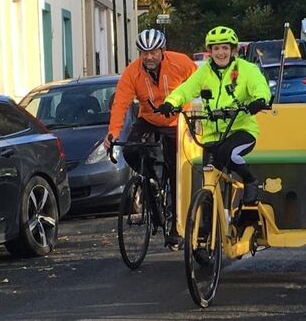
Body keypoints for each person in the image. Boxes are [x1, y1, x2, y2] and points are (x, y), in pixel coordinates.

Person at [157, 26, 271, 204]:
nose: (221, 53)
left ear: (233, 50)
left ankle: (250, 181)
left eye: (225, 48)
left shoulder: (247, 69)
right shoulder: (204, 72)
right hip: (212, 135)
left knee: (228, 153)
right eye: (216, 48)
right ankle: (207, 222)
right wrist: (170, 102)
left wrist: (260, 100)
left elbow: (260, 87)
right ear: (209, 51)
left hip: (240, 130)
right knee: (208, 180)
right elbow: (186, 90)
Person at [104, 29, 197, 247]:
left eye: (153, 51)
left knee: (177, 173)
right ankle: (152, 181)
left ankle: (176, 227)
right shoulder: (132, 73)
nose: (149, 57)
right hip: (148, 118)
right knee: (129, 150)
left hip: (177, 120)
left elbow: (201, 81)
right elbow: (120, 103)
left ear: (162, 50)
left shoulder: (180, 62)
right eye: (144, 53)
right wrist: (113, 133)